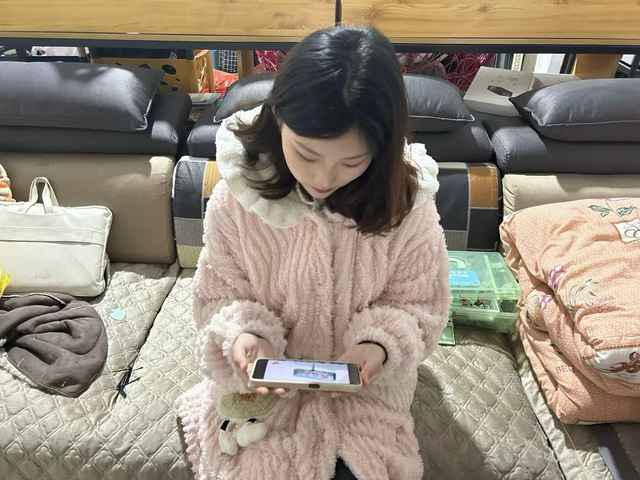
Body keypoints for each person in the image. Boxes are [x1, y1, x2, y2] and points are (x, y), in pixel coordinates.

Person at [176, 25, 450, 480]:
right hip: (262, 397)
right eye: (306, 154)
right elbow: (219, 293)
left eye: (352, 161)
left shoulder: (406, 204)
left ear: (382, 149)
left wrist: (377, 347)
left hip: (365, 397)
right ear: (278, 118)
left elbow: (420, 304)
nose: (323, 179)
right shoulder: (240, 194)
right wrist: (245, 337)